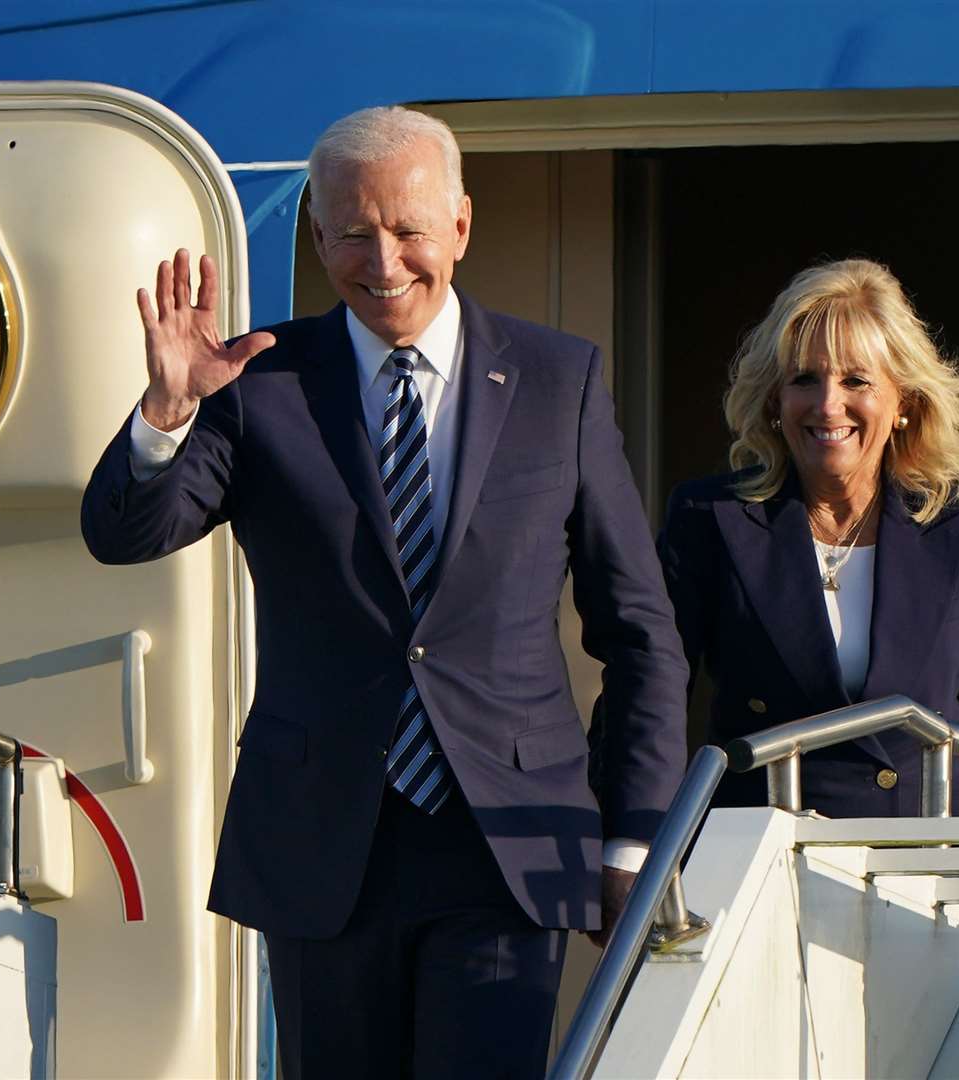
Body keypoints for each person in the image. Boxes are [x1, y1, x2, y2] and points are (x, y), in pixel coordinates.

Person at [81, 106, 688, 1078]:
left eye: (407, 229)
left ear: (460, 225)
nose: (383, 260)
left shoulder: (555, 378)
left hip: (507, 845)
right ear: (318, 238)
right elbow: (124, 535)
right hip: (324, 841)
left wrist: (632, 840)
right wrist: (166, 410)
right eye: (353, 234)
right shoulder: (253, 382)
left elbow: (640, 631)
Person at [659, 259, 959, 816]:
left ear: (903, 406)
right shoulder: (710, 517)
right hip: (761, 857)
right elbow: (650, 697)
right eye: (804, 380)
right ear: (775, 401)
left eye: (856, 380)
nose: (827, 405)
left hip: (924, 862)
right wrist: (635, 843)